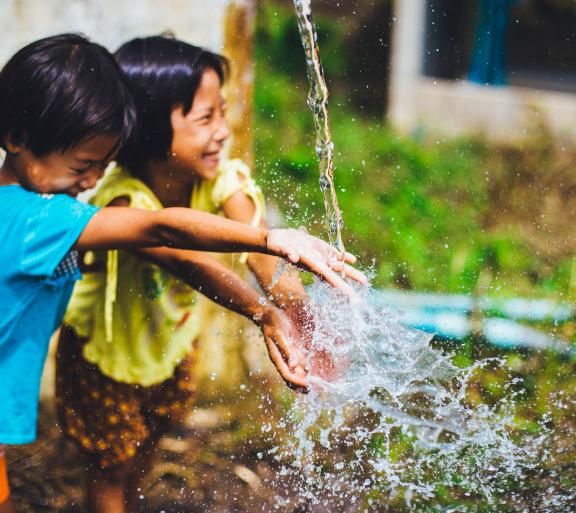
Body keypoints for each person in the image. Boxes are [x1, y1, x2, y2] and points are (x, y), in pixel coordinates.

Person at [0, 34, 366, 513]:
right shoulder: (38, 217)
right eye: (83, 165)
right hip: (106, 356)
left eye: (99, 166)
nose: (89, 183)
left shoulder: (40, 209)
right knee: (98, 471)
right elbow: (166, 234)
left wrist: (291, 308)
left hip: (159, 347)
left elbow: (236, 238)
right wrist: (269, 242)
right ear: (17, 139)